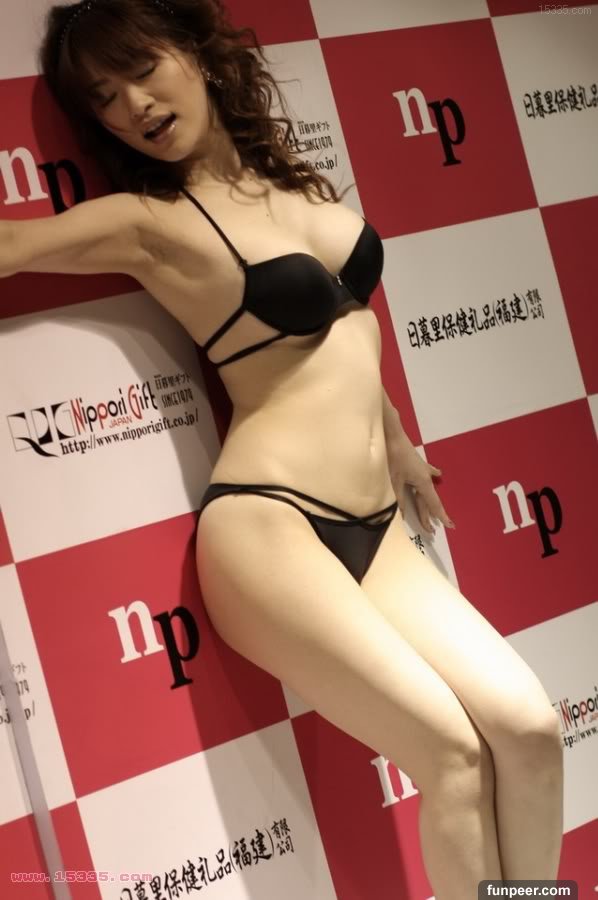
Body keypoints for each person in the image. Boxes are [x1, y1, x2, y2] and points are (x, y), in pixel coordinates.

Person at [1, 1, 564, 896]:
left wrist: (396, 437)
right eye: (102, 98)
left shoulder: (296, 188)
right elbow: (12, 244)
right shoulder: (153, 221)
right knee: (454, 755)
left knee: (529, 732)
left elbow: (342, 331)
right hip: (269, 528)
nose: (132, 106)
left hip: (375, 526)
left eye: (142, 70)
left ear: (196, 53)